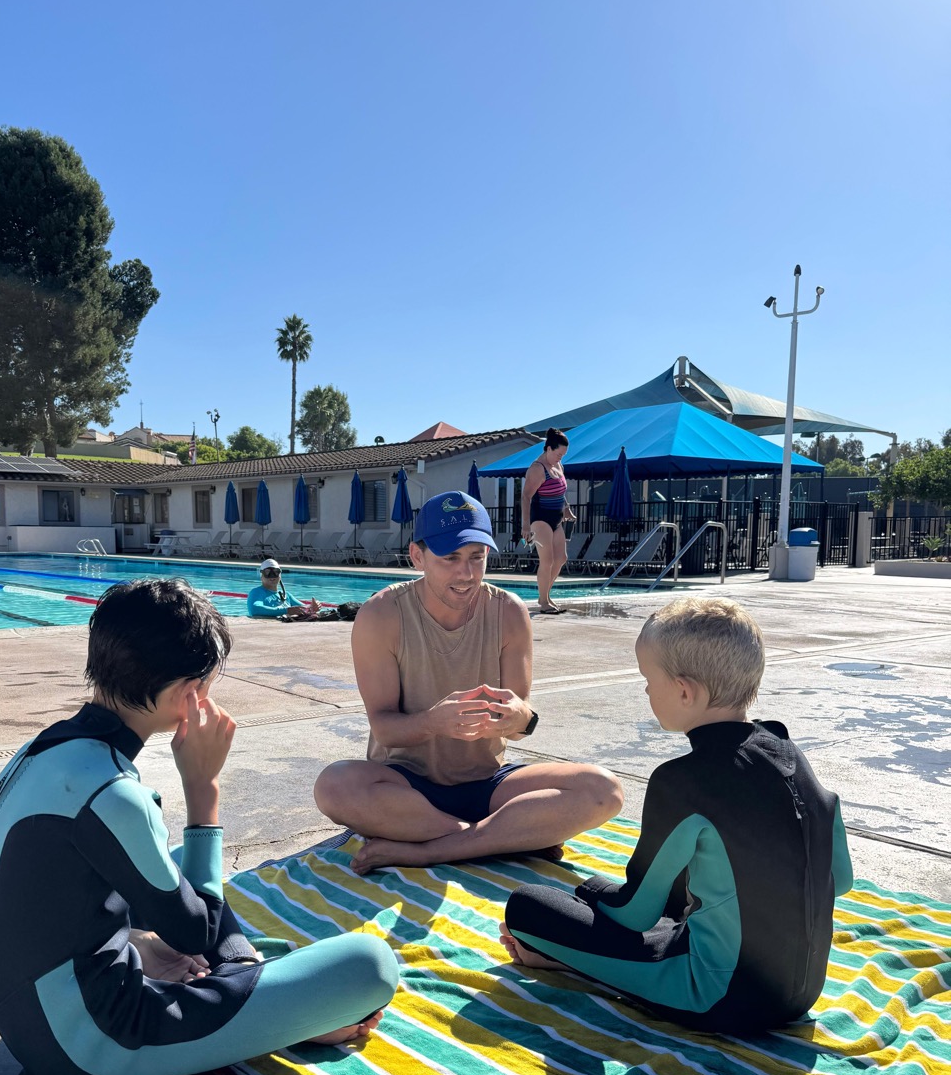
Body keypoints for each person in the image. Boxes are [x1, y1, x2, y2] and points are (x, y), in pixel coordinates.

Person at [0, 578, 399, 1075]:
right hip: (89, 1050)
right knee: (371, 965)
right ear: (186, 694)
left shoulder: (45, 748)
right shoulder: (112, 794)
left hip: (26, 1015)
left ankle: (244, 980)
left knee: (178, 861)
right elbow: (195, 931)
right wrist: (203, 787)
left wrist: (136, 941)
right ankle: (259, 998)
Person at [501, 599, 854, 1034]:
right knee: (633, 893)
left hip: (719, 997)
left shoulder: (682, 781)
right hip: (801, 992)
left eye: (648, 680)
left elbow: (635, 915)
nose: (646, 692)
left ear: (685, 692)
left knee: (529, 906)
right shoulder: (788, 752)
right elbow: (840, 878)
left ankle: (568, 959)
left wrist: (591, 897)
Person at [313, 492, 623, 876]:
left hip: (487, 783)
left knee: (603, 790)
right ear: (417, 557)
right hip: (405, 790)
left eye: (477, 557)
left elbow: (521, 724)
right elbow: (385, 728)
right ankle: (497, 838)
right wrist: (433, 723)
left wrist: (520, 718)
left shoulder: (509, 612)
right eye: (451, 558)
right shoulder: (382, 614)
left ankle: (431, 850)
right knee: (334, 785)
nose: (467, 574)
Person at [520, 426, 575, 615]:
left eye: (563, 455)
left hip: (556, 519)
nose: (560, 458)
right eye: (558, 454)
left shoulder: (558, 466)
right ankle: (543, 602)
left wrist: (566, 508)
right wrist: (525, 525)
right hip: (540, 519)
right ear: (549, 448)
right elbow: (526, 496)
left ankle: (545, 596)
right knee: (548, 560)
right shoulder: (537, 469)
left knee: (561, 558)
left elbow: (560, 491)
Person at [246, 559, 325, 619]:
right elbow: (255, 609)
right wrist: (286, 611)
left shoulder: (286, 595)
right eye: (267, 572)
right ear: (261, 576)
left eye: (276, 572)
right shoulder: (257, 592)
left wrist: (313, 607)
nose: (272, 576)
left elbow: (303, 609)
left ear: (280, 575)